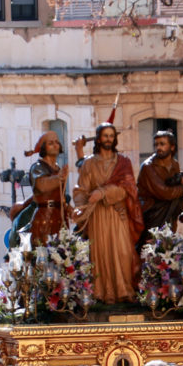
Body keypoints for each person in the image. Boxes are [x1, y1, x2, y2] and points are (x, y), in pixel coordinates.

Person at [72, 122, 144, 303]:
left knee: (123, 253)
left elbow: (129, 188)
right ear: (98, 139)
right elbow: (81, 190)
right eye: (105, 135)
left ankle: (124, 290)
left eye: (111, 136)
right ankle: (103, 293)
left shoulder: (123, 162)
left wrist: (104, 192)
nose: (108, 139)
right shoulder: (89, 163)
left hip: (118, 213)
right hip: (97, 215)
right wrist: (80, 207)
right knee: (101, 254)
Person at [11, 130, 71, 245]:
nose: (55, 145)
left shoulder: (57, 168)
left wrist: (70, 209)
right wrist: (58, 178)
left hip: (60, 217)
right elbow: (42, 185)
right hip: (45, 217)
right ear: (43, 147)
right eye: (50, 143)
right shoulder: (37, 168)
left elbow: (60, 194)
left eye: (56, 142)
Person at [136, 128, 183, 235]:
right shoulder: (148, 166)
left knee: (168, 240)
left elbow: (175, 187)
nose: (158, 147)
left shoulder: (175, 164)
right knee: (154, 241)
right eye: (156, 144)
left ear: (172, 147)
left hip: (170, 211)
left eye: (162, 144)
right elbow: (163, 192)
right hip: (152, 211)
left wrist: (181, 189)